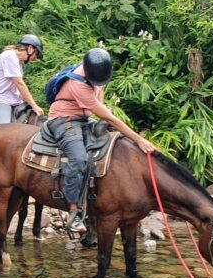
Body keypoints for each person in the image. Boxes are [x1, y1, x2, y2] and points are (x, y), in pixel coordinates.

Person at [47, 48, 157, 233]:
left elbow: (99, 94)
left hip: (83, 118)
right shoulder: (78, 85)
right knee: (80, 159)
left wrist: (100, 107)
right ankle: (73, 210)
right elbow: (108, 117)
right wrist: (138, 139)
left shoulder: (96, 71)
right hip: (63, 120)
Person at [0, 34, 44, 123]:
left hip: (13, 100)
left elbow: (15, 87)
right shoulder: (9, 57)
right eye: (36, 54)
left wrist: (24, 99)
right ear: (30, 49)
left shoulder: (17, 61)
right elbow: (19, 83)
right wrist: (34, 105)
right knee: (5, 131)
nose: (36, 58)